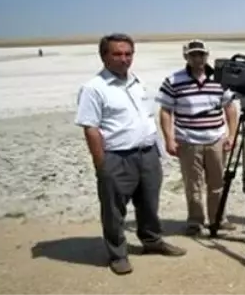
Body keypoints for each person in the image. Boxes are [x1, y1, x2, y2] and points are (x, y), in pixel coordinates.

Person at [75, 33, 186, 275]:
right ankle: (117, 254)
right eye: (117, 54)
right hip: (116, 157)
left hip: (147, 154)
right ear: (104, 56)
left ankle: (152, 241)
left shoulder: (135, 81)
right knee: (114, 209)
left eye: (128, 54)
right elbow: (91, 129)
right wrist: (101, 164)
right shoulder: (94, 88)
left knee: (149, 203)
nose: (124, 59)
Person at [155, 39, 239, 236]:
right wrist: (169, 139)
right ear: (186, 56)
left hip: (216, 140)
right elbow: (166, 110)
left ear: (206, 56)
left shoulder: (220, 79)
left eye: (201, 54)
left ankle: (218, 220)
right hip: (188, 141)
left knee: (217, 183)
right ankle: (195, 221)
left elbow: (230, 108)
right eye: (193, 54)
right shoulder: (174, 80)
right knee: (193, 184)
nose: (197, 58)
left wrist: (232, 135)